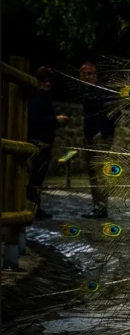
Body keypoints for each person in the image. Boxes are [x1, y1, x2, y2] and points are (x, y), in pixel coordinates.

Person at [26, 67, 69, 220]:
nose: (47, 84)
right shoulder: (35, 97)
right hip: (37, 140)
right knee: (34, 176)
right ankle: (32, 208)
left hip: (45, 140)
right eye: (44, 81)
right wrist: (54, 120)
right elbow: (35, 118)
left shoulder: (45, 97)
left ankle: (36, 208)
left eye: (49, 81)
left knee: (39, 177)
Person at [79, 61, 118, 219]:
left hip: (100, 137)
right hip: (89, 136)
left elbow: (115, 112)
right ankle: (98, 206)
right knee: (93, 172)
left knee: (100, 172)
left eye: (92, 74)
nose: (90, 77)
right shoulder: (85, 91)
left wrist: (104, 133)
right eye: (86, 74)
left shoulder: (103, 91)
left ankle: (101, 207)